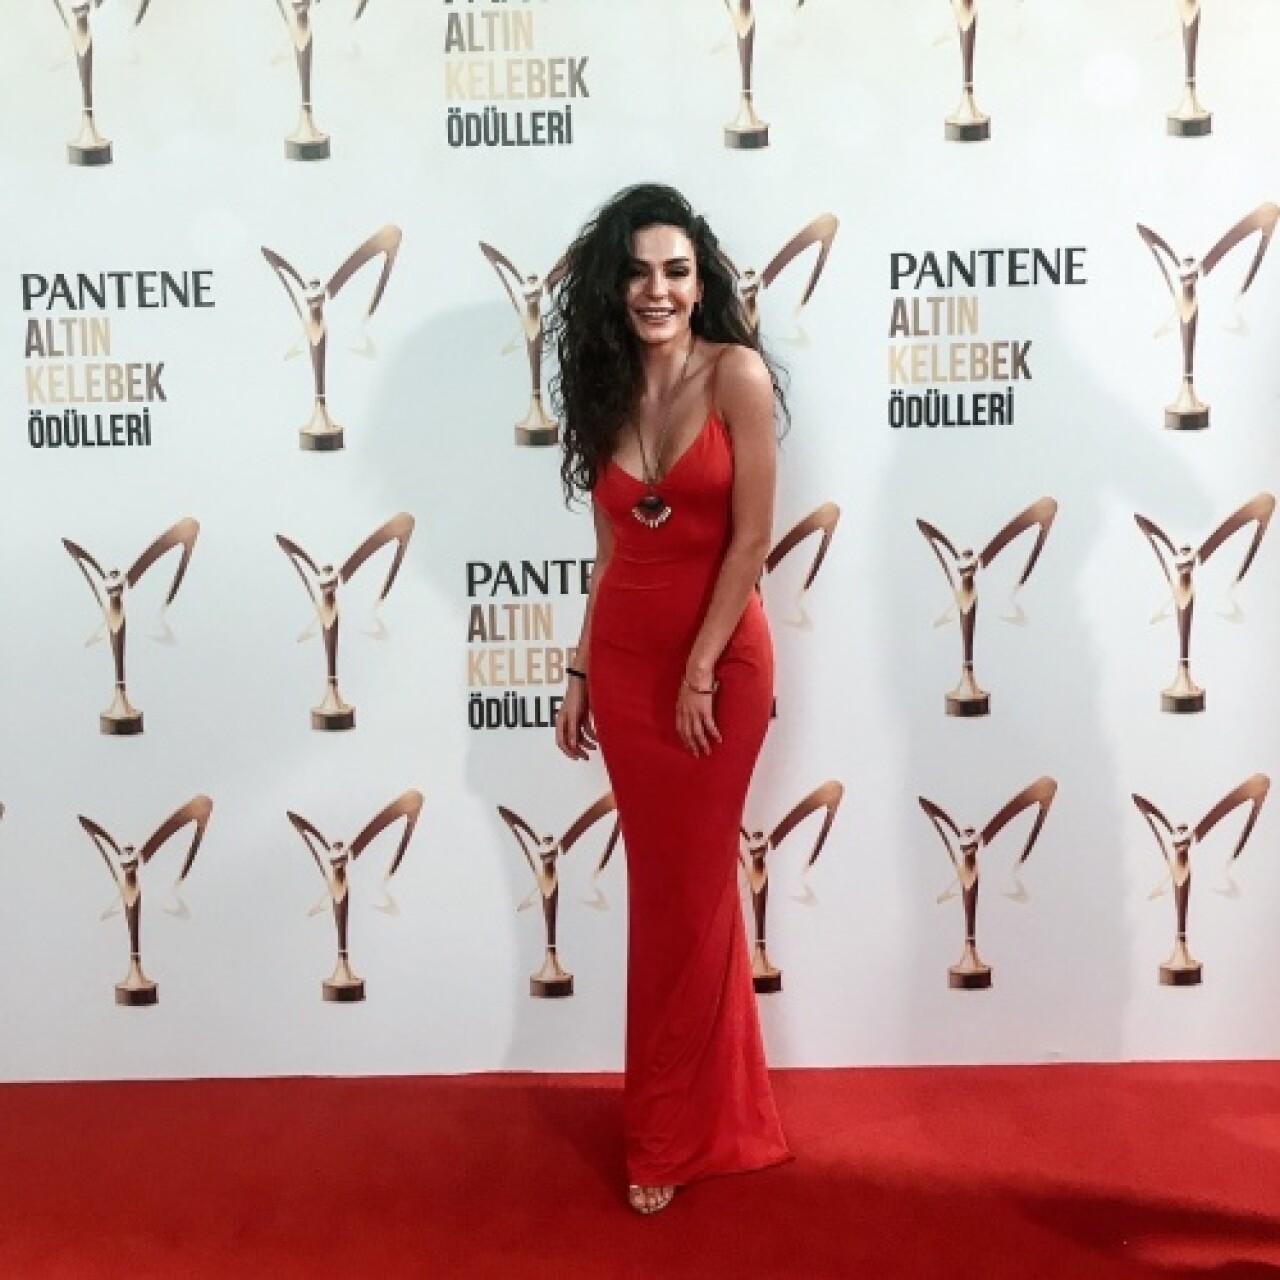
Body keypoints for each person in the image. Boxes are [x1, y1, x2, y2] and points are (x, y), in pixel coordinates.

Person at [551, 184, 791, 1215]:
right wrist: (577, 670)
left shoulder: (735, 374)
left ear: (701, 284)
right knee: (675, 890)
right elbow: (610, 552)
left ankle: (663, 1133)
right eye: (639, 271)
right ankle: (720, 1112)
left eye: (676, 271)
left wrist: (698, 666)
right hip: (624, 667)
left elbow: (751, 539)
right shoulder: (603, 389)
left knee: (680, 899)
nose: (657, 289)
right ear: (616, 285)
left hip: (716, 671)